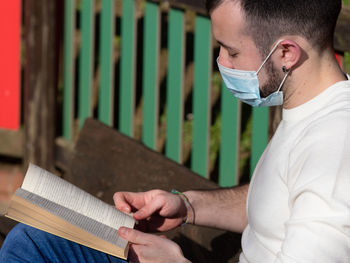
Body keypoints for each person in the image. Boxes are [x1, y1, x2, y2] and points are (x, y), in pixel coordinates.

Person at [1, 0, 349, 262]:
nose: (222, 63)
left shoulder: (334, 153)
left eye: (232, 51)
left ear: (287, 52)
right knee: (34, 239)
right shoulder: (311, 110)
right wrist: (187, 206)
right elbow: (279, 203)